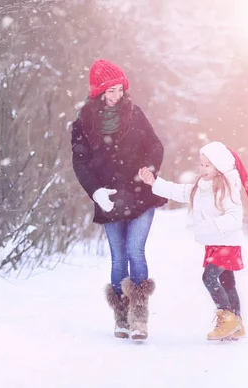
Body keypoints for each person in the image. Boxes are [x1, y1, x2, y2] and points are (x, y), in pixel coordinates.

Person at [71, 59, 167, 340]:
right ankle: (121, 317)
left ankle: (139, 317)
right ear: (97, 93)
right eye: (108, 92)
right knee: (118, 258)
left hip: (139, 194)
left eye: (118, 90)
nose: (115, 96)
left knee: (136, 250)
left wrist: (150, 168)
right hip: (109, 197)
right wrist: (96, 192)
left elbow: (155, 145)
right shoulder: (83, 123)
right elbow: (80, 162)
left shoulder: (135, 114)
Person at [138, 141, 248, 340]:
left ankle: (227, 318)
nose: (202, 168)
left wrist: (209, 226)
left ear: (220, 167)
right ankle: (237, 323)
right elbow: (179, 191)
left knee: (209, 278)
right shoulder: (201, 186)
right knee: (227, 281)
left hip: (227, 242)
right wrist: (154, 182)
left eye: (208, 165)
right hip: (216, 242)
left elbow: (235, 218)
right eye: (201, 164)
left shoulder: (227, 189)